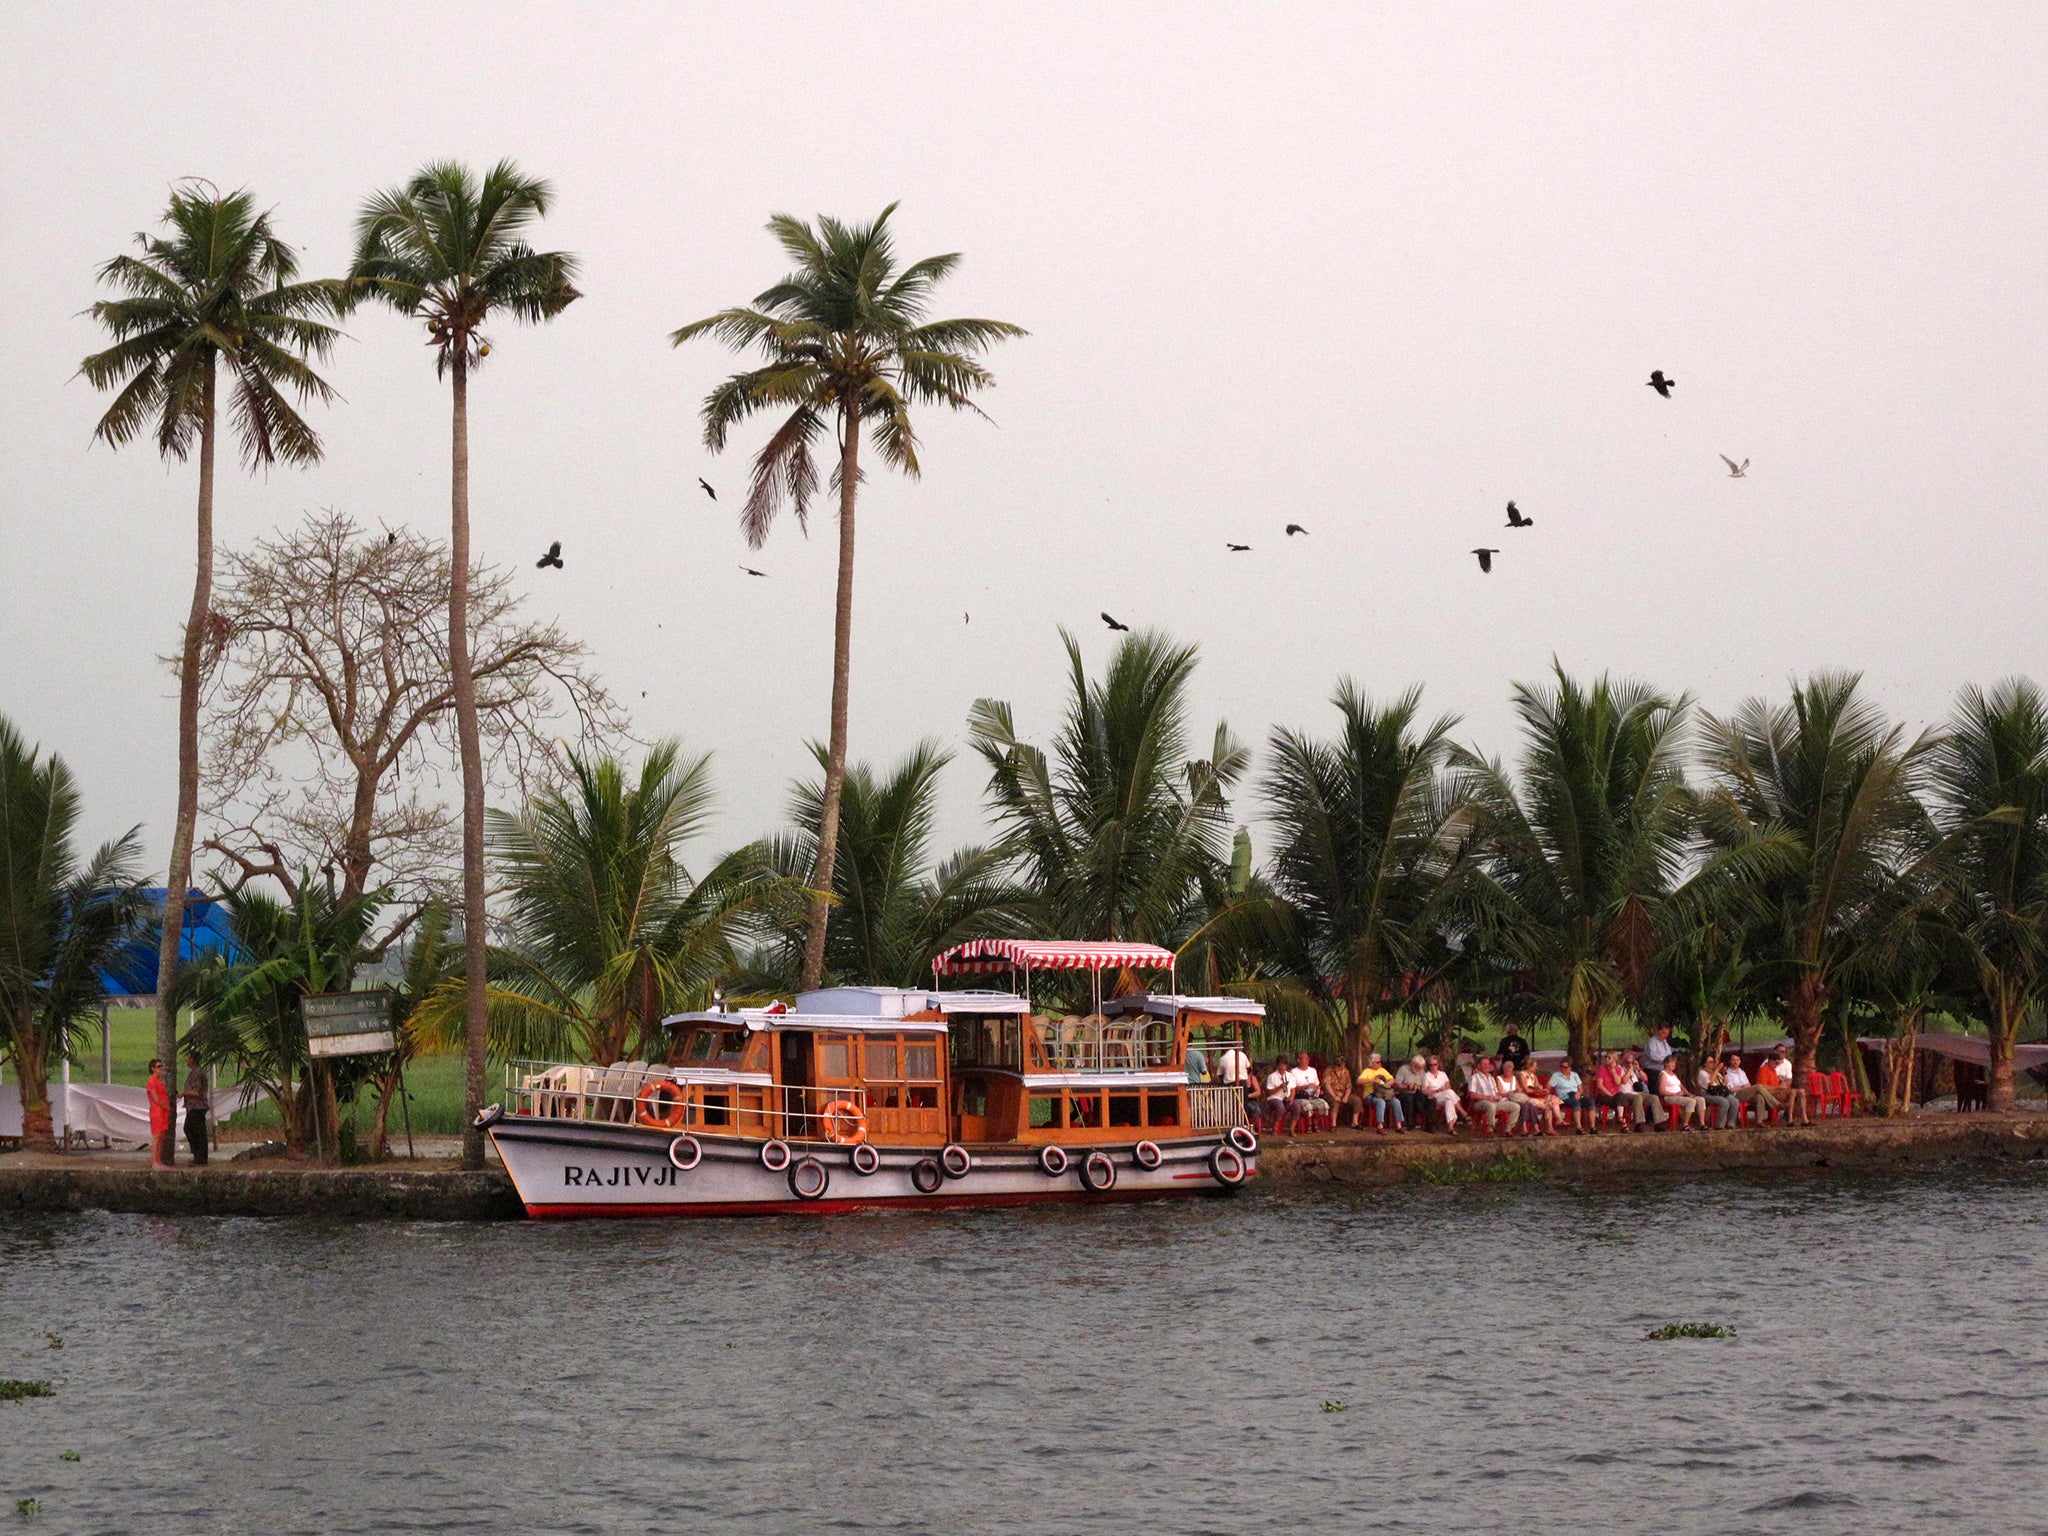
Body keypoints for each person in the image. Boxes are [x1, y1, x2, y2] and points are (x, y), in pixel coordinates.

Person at [1466, 1056, 1518, 1135]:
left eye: (1488, 1064)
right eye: (1484, 1064)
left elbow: (1496, 1092)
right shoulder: (1475, 1078)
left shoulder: (1491, 1078)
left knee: (1515, 1106)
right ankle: (1490, 1129)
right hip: (1480, 1102)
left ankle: (1508, 1130)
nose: (1487, 1066)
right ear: (1479, 1066)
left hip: (1494, 1101)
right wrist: (1487, 1097)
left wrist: (1498, 1097)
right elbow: (1472, 1095)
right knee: (1491, 1106)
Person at [1724, 1052, 1781, 1124]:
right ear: (1730, 1061)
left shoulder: (1742, 1072)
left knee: (1759, 1096)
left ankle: (1759, 1121)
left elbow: (1749, 1084)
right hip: (1736, 1095)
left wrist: (1745, 1086)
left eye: (1737, 1060)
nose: (1735, 1062)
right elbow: (1731, 1089)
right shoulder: (1727, 1073)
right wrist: (1742, 1087)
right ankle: (1776, 1104)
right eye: (1733, 1060)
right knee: (1758, 1086)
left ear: (1740, 1061)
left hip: (1746, 1093)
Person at [1762, 1045, 1811, 1125]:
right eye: (1782, 1051)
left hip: (1783, 1086)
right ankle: (1790, 1119)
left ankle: (1804, 1119)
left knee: (1801, 1091)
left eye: (1785, 1051)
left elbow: (1789, 1079)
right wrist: (1779, 1081)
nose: (1784, 1053)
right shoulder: (1767, 1064)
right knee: (1793, 1092)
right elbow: (1765, 1079)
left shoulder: (1787, 1063)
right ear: (1775, 1052)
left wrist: (1784, 1083)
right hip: (1774, 1088)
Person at [1357, 1052, 1404, 1131]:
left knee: (1396, 1102)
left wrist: (1387, 1084)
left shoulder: (1382, 1070)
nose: (1380, 1064)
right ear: (1372, 1063)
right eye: (1377, 1062)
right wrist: (1373, 1080)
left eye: (1380, 1062)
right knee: (1381, 1102)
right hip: (1370, 1095)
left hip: (1384, 1094)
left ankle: (1399, 1125)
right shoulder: (1367, 1071)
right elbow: (1359, 1081)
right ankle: (1380, 1125)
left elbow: (1392, 1079)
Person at [181, 1050, 210, 1165]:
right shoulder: (194, 1072)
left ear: (192, 1060)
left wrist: (184, 1093)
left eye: (188, 1058)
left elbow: (197, 1092)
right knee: (192, 1130)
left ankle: (200, 1157)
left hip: (197, 1106)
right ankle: (198, 1155)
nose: (186, 1060)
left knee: (195, 1130)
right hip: (192, 1106)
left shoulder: (197, 1073)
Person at [1548, 1058, 1593, 1133]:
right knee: (1576, 1103)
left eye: (1565, 1067)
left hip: (1575, 1095)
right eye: (1561, 1066)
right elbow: (1548, 1087)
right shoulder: (1556, 1075)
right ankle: (1579, 1127)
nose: (1563, 1069)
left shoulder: (1574, 1075)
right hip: (1564, 1097)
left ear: (1570, 1068)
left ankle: (1592, 1127)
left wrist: (1578, 1093)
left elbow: (1581, 1089)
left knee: (1590, 1102)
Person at [1288, 1052, 1330, 1131]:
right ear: (1298, 1060)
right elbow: (1292, 1088)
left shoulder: (1312, 1070)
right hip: (1301, 1095)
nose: (1307, 1060)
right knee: (1308, 1106)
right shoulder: (1293, 1072)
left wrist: (1317, 1089)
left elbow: (1317, 1084)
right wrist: (1305, 1086)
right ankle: (1309, 1124)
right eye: (1305, 1058)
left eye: (1308, 1058)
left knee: (1324, 1105)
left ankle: (1315, 1122)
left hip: (1313, 1095)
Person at [1657, 1061, 1706, 1129]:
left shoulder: (1674, 1075)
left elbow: (1682, 1087)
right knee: (1691, 1102)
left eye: (1674, 1063)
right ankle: (1685, 1124)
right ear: (1666, 1064)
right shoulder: (1663, 1074)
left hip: (1680, 1096)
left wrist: (1688, 1094)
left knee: (1701, 1100)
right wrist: (1675, 1094)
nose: (1674, 1065)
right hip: (1670, 1097)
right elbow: (1662, 1091)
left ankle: (1702, 1124)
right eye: (1671, 1063)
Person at [1694, 1055, 1738, 1129]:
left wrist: (1725, 1073)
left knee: (1734, 1101)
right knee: (1724, 1102)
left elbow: (1725, 1083)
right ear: (1705, 1064)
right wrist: (1717, 1069)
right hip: (1707, 1093)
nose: (1713, 1063)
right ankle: (1720, 1125)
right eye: (1711, 1062)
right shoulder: (1702, 1072)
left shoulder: (1715, 1072)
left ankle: (1730, 1124)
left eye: (1714, 1062)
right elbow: (1710, 1083)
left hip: (1719, 1092)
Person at [1420, 1055, 1462, 1131]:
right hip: (1434, 1096)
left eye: (1435, 1064)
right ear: (1428, 1066)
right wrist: (1437, 1090)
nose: (1433, 1066)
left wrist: (1443, 1089)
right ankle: (1462, 1111)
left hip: (1445, 1095)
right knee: (1449, 1093)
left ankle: (1451, 1128)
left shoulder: (1443, 1074)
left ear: (1438, 1065)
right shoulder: (1426, 1076)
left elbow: (1448, 1086)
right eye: (1431, 1065)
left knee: (1449, 1102)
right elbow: (1424, 1090)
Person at [1519, 1063, 1564, 1133]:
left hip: (1537, 1096)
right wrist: (1536, 1090)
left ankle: (1559, 1120)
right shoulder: (1522, 1074)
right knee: (1549, 1105)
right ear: (1529, 1066)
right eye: (1535, 1066)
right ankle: (1550, 1128)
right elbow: (1526, 1090)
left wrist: (1541, 1089)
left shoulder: (1533, 1075)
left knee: (1552, 1098)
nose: (1536, 1068)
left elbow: (1538, 1086)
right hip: (1528, 1097)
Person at [146, 1058, 174, 1168]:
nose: (161, 1068)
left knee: (161, 1137)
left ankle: (158, 1161)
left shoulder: (159, 1082)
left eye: (161, 1066)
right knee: (157, 1137)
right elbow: (156, 1098)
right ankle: (154, 1162)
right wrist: (166, 1106)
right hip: (157, 1111)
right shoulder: (152, 1081)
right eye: (158, 1066)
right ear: (153, 1069)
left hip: (163, 1111)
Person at [1394, 1054, 1432, 1130]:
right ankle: (1410, 1124)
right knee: (1410, 1098)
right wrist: (1408, 1086)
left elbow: (1423, 1088)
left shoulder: (1422, 1072)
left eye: (1421, 1068)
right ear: (1412, 1064)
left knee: (1431, 1101)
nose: (1419, 1070)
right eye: (1418, 1067)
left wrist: (1429, 1093)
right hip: (1403, 1093)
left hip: (1417, 1094)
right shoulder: (1403, 1069)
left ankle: (1429, 1125)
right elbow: (1396, 1085)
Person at [1321, 1059, 1355, 1127]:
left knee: (1357, 1100)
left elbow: (1349, 1086)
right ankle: (1333, 1124)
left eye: (1342, 1065)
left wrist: (1346, 1096)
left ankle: (1355, 1122)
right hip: (1331, 1093)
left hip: (1343, 1093)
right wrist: (1334, 1096)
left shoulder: (1345, 1071)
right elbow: (1327, 1085)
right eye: (1339, 1066)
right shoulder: (1328, 1071)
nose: (1340, 1067)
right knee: (1335, 1103)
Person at [1263, 1060, 1292, 1131]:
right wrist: (1280, 1087)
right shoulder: (1272, 1076)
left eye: (1284, 1065)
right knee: (1280, 1106)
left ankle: (1292, 1129)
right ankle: (1275, 1127)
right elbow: (1269, 1092)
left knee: (1297, 1106)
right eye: (1280, 1065)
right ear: (1277, 1066)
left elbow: (1293, 1089)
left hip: (1286, 1097)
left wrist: (1291, 1098)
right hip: (1274, 1098)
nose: (1282, 1067)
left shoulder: (1289, 1075)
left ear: (1286, 1066)